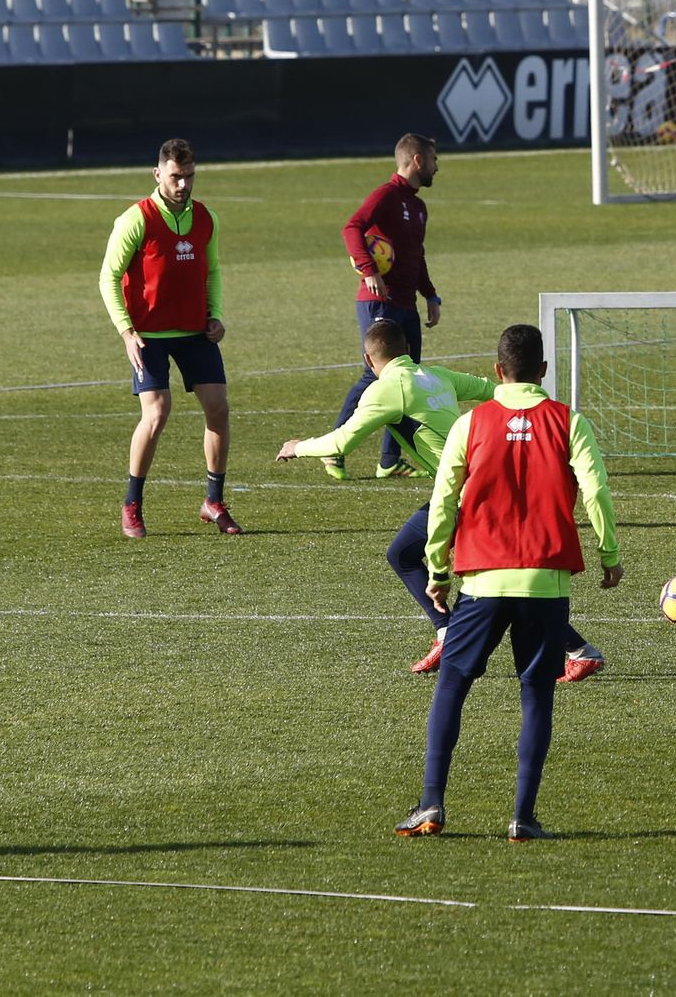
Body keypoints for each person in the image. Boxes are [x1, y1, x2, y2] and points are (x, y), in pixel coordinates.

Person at [277, 319, 607, 683]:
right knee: (409, 554)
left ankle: (570, 649)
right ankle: (456, 633)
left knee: (489, 581)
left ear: (368, 360)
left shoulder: (385, 389)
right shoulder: (436, 376)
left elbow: (342, 442)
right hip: (481, 485)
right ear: (407, 350)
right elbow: (491, 388)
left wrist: (297, 447)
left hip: (465, 493)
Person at [393, 324, 623, 840]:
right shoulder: (568, 420)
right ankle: (523, 816)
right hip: (546, 583)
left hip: (481, 581)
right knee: (536, 694)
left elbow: (445, 499)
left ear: (498, 371)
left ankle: (431, 803)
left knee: (452, 685)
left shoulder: (470, 423)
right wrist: (609, 554)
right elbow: (596, 489)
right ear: (543, 370)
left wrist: (436, 569)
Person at [99, 137, 241, 539]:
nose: (183, 184)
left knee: (218, 408)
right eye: (176, 176)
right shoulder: (136, 219)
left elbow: (212, 270)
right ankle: (132, 504)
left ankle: (213, 502)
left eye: (189, 176)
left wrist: (215, 315)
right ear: (158, 173)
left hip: (195, 332)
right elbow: (108, 277)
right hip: (148, 336)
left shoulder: (206, 218)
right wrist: (127, 332)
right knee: (157, 412)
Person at [328, 133, 445, 481]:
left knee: (408, 381)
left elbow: (416, 256)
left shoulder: (418, 207)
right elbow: (351, 228)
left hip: (406, 304)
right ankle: (334, 450)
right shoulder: (386, 195)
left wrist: (430, 295)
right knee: (373, 376)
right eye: (434, 160)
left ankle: (389, 460)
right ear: (417, 160)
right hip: (378, 303)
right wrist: (369, 270)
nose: (437, 167)